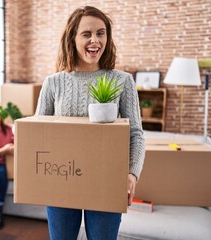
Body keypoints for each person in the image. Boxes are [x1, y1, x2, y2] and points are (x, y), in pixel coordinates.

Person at [35, 6, 145, 240]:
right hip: (60, 183)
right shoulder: (53, 83)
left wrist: (132, 174)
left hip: (108, 182)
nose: (95, 40)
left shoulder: (123, 81)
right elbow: (37, 135)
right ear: (72, 38)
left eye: (101, 33)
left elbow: (135, 134)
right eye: (86, 34)